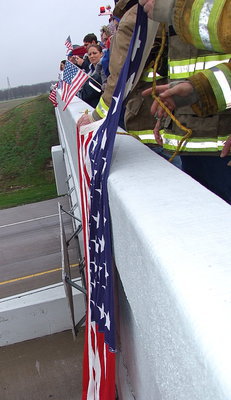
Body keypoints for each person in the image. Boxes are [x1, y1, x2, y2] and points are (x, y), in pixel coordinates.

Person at [77, 44, 104, 108]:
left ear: (101, 54)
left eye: (94, 53)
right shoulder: (89, 71)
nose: (92, 56)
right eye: (89, 54)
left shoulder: (103, 71)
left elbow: (85, 96)